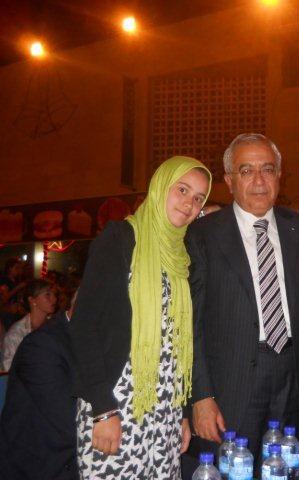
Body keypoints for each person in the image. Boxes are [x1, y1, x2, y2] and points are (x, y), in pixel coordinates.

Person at [69, 156, 211, 479]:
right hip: (115, 405)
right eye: (183, 190)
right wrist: (102, 408)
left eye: (198, 198)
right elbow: (84, 326)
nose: (190, 203)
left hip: (165, 411)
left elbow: (179, 344)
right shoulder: (120, 239)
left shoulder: (183, 256)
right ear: (160, 188)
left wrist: (183, 414)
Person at [187, 133, 299, 476]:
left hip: (293, 379)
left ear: (279, 176)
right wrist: (200, 396)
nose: (259, 180)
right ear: (229, 180)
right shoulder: (202, 235)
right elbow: (191, 325)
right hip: (230, 386)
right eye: (246, 171)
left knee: (286, 470)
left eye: (267, 169)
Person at [0, 291, 79, 479]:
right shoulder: (41, 346)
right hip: (41, 465)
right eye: (46, 295)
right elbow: (69, 423)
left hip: (64, 456)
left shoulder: (77, 339)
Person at [1, 279, 57, 371]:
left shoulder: (55, 327)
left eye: (54, 294)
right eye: (48, 295)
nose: (54, 299)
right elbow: (9, 371)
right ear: (32, 300)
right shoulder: (16, 334)